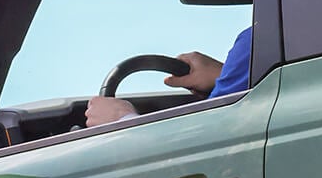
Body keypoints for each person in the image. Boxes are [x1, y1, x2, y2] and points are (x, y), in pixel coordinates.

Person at [84, 26, 253, 128]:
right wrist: (227, 76)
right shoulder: (267, 38)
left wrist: (122, 121)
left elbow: (212, 140)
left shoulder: (254, 40)